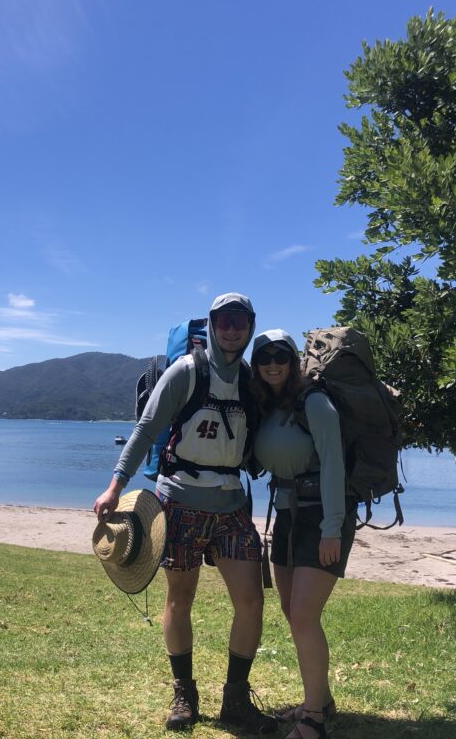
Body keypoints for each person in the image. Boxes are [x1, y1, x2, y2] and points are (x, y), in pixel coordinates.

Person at [94, 293, 278, 734]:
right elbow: (146, 429)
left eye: (241, 321)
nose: (232, 328)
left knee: (251, 602)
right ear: (212, 325)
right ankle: (184, 693)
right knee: (180, 598)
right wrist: (116, 484)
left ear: (251, 327)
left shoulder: (252, 381)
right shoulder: (187, 371)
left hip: (232, 504)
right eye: (224, 320)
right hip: (179, 502)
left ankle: (236, 700)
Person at [248, 329, 355, 739]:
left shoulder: (316, 404)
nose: (272, 363)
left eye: (281, 356)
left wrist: (332, 529)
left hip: (321, 518)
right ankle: (321, 700)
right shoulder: (272, 406)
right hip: (288, 516)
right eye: (264, 357)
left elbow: (333, 467)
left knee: (305, 616)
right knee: (293, 615)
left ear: (294, 361)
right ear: (256, 366)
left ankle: (313, 719)